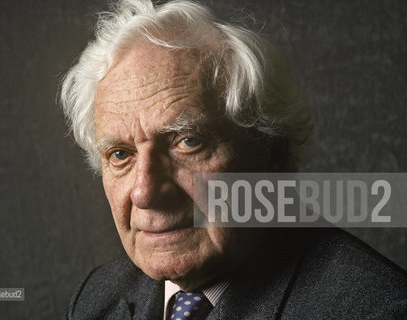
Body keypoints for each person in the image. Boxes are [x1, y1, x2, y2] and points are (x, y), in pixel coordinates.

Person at [60, 0, 407, 319]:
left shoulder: (378, 309)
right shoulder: (96, 298)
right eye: (120, 154)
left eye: (187, 142)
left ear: (272, 150)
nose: (145, 193)